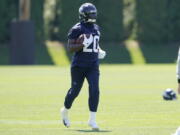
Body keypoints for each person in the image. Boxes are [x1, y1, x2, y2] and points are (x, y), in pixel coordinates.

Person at [60, 3, 106, 131]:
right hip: (79, 66)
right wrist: (82, 45)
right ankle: (65, 111)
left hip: (93, 65)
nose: (93, 15)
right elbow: (70, 48)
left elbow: (95, 44)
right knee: (74, 92)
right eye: (91, 13)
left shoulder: (96, 28)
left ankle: (92, 120)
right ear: (84, 15)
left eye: (94, 13)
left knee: (95, 89)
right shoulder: (77, 29)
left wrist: (99, 50)